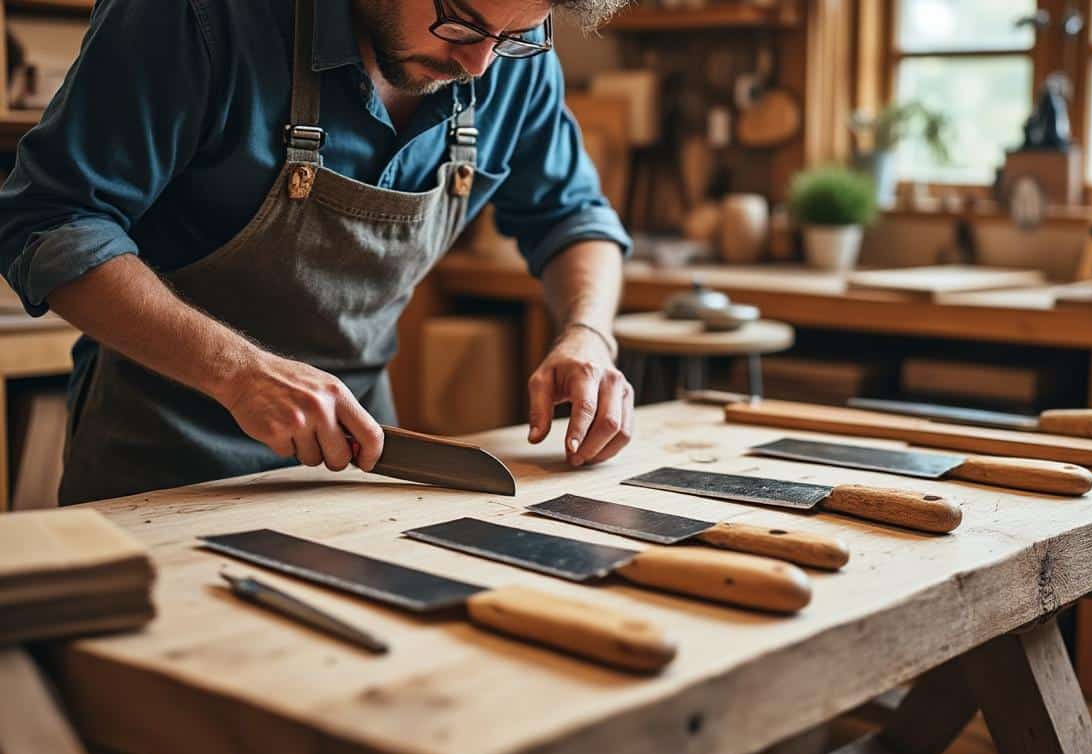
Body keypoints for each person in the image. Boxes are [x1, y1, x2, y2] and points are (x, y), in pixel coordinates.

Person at [0, 0, 635, 505]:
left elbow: (573, 215)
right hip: (160, 466)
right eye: (461, 22)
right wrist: (240, 374)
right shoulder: (197, 14)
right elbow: (51, 219)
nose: (479, 64)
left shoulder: (503, 57)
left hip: (356, 468)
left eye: (515, 36)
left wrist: (588, 335)